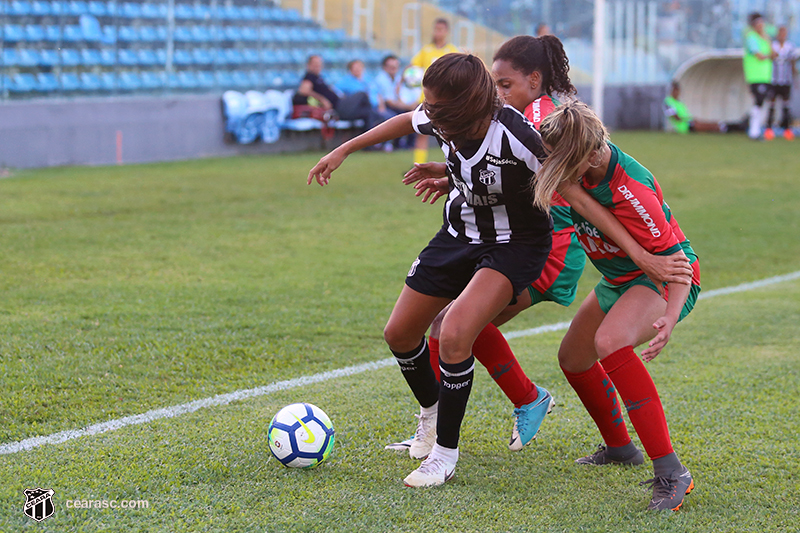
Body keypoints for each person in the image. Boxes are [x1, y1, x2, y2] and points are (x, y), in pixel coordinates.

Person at [391, 35, 691, 458]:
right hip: (544, 243)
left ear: (534, 80)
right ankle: (607, 440)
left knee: (456, 325)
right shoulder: (526, 114)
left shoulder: (542, 119)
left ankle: (524, 404)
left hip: (550, 247)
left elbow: (571, 191)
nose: (497, 93)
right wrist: (454, 175)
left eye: (505, 84)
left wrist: (649, 266)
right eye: (494, 84)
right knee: (458, 326)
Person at [535, 100, 701, 511]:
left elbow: (678, 263)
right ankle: (620, 448)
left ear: (592, 154)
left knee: (610, 340)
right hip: (619, 279)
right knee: (573, 358)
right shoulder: (576, 161)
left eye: (564, 163)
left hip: (661, 280)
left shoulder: (632, 191)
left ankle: (672, 472)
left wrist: (670, 317)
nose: (556, 172)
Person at [409, 18, 460, 163]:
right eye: (436, 29)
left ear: (446, 32)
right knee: (421, 133)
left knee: (452, 133)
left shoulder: (452, 51)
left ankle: (454, 164)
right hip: (426, 99)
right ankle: (418, 164)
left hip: (447, 100)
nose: (438, 32)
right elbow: (412, 68)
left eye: (441, 29)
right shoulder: (426, 50)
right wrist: (404, 81)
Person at [293, 55, 380, 132]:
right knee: (362, 94)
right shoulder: (309, 76)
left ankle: (370, 144)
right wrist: (322, 100)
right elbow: (303, 90)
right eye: (315, 63)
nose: (318, 66)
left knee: (368, 112)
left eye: (319, 63)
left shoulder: (319, 77)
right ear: (309, 65)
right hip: (338, 108)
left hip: (340, 104)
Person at [743, 13, 777, 139]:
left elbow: (773, 53)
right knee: (758, 102)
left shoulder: (764, 38)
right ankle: (754, 131)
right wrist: (770, 55)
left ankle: (755, 130)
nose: (762, 26)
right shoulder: (751, 37)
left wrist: (768, 40)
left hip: (765, 75)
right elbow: (759, 55)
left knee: (761, 103)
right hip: (755, 76)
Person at [663, 81, 740, 133]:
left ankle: (724, 125)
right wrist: (689, 119)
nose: (677, 92)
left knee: (706, 123)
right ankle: (724, 128)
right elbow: (676, 118)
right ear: (671, 91)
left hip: (689, 122)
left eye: (678, 90)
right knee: (703, 126)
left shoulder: (679, 102)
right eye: (675, 90)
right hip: (684, 127)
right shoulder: (668, 102)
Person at [766, 26, 797, 139]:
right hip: (774, 80)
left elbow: (793, 63)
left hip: (786, 80)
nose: (782, 35)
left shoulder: (790, 46)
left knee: (786, 104)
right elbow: (769, 58)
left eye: (784, 33)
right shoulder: (773, 46)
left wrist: (795, 79)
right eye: (781, 32)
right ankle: (769, 128)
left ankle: (786, 128)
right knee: (772, 103)